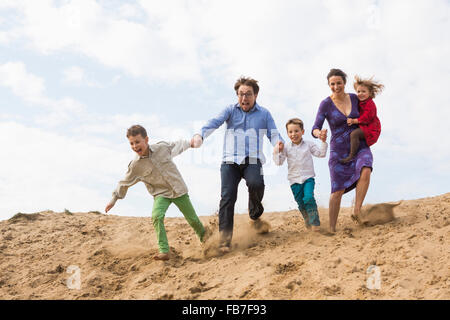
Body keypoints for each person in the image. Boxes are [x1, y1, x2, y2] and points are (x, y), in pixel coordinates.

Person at [193, 77, 284, 253]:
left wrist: (278, 144)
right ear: (237, 96)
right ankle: (224, 241)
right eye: (241, 94)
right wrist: (201, 135)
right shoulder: (230, 110)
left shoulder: (264, 114)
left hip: (252, 159)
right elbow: (215, 122)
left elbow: (274, 134)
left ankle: (255, 214)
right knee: (227, 198)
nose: (244, 98)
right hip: (230, 161)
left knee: (256, 184)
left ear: (255, 95)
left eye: (248, 94)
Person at [105, 125, 207, 261]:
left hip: (178, 190)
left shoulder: (162, 148)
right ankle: (164, 250)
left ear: (146, 140)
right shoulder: (135, 165)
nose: (135, 146)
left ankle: (207, 240)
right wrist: (114, 199)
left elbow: (177, 145)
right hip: (161, 194)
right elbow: (124, 183)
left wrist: (191, 143)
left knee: (193, 220)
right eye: (131, 143)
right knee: (156, 216)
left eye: (137, 142)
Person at [312, 69, 373, 232]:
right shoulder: (325, 103)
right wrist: (320, 134)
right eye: (332, 84)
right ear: (329, 85)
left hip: (359, 144)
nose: (336, 86)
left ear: (344, 83)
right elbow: (315, 128)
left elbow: (369, 109)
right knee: (337, 190)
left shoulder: (354, 97)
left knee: (366, 169)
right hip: (338, 150)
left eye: (339, 83)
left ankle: (357, 211)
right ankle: (331, 227)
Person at [273, 118, 328, 232]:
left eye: (296, 131)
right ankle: (308, 224)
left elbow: (321, 154)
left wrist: (323, 141)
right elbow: (279, 162)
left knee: (308, 198)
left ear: (302, 131)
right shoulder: (286, 148)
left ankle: (315, 224)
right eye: (290, 132)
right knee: (301, 204)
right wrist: (277, 151)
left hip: (308, 179)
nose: (294, 134)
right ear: (287, 134)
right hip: (294, 181)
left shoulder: (309, 144)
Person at [339, 76, 384, 164]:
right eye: (358, 91)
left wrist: (354, 121)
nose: (360, 94)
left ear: (370, 93)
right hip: (365, 126)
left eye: (364, 91)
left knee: (354, 134)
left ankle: (351, 156)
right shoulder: (360, 102)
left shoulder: (370, 104)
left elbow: (367, 117)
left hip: (371, 128)